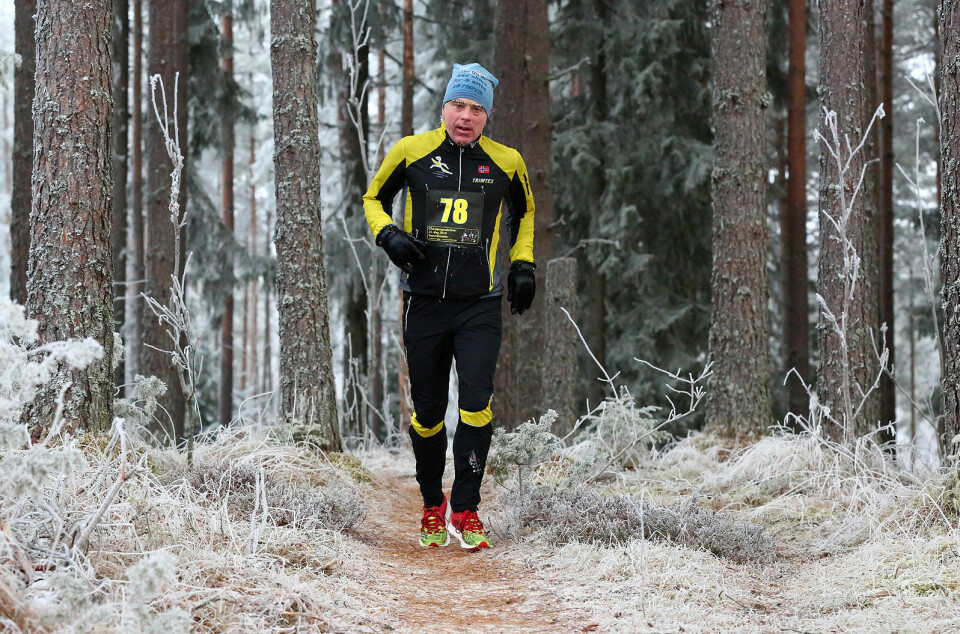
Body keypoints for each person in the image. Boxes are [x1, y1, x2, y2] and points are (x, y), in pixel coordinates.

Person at [363, 62, 537, 551]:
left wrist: (523, 265)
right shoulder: (411, 151)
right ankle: (431, 506)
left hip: (480, 305)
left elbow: (525, 216)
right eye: (459, 105)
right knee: (428, 411)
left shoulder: (507, 162)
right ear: (445, 108)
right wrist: (389, 235)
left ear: (487, 116)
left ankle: (466, 509)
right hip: (424, 303)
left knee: (477, 405)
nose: (467, 116)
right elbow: (373, 198)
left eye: (477, 108)